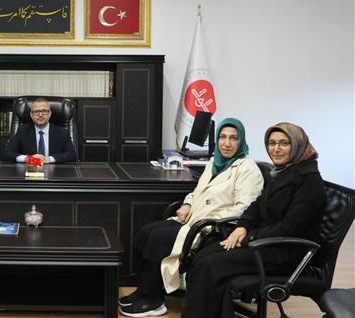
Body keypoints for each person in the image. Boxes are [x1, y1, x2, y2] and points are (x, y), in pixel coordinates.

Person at [119, 118, 263, 317]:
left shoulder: (248, 169)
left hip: (214, 228)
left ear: (242, 141)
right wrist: (187, 204)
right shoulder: (214, 162)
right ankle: (144, 290)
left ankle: (153, 300)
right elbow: (197, 192)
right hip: (194, 219)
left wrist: (207, 219)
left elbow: (244, 210)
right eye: (222, 137)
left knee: (158, 239)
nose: (227, 143)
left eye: (233, 138)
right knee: (146, 232)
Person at [181, 122, 326, 318]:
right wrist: (242, 227)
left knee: (210, 265)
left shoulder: (309, 181)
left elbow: (290, 227)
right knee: (203, 254)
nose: (276, 149)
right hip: (265, 243)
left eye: (284, 143)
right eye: (272, 143)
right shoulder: (283, 171)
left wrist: (249, 237)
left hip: (284, 252)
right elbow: (258, 204)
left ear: (298, 145)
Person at [2, 97, 77, 163]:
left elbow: (72, 155)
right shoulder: (23, 131)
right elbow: (6, 154)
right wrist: (27, 158)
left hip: (55, 171)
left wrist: (49, 159)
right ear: (31, 115)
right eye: (36, 112)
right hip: (30, 171)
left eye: (44, 111)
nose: (40, 115)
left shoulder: (62, 133)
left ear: (49, 114)